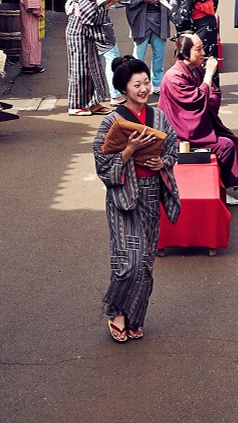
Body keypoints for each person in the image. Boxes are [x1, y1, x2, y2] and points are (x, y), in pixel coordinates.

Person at [93, 57, 180, 343]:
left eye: (146, 82)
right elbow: (102, 163)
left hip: (151, 191)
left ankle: (135, 317)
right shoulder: (111, 121)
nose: (144, 89)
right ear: (124, 88)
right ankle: (116, 310)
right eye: (137, 84)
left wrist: (162, 163)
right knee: (127, 260)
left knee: (144, 262)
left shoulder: (158, 117)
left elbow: (173, 147)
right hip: (123, 196)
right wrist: (128, 150)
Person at [160, 32, 238, 204]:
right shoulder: (174, 77)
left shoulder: (195, 70)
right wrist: (209, 76)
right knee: (226, 146)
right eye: (198, 49)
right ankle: (220, 189)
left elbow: (212, 93)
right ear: (185, 54)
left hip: (196, 123)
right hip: (181, 132)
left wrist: (208, 93)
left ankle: (227, 185)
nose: (203, 53)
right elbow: (195, 102)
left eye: (202, 48)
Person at [63, 0, 111, 116]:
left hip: (81, 30)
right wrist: (105, 6)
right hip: (80, 31)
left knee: (92, 67)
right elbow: (90, 16)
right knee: (80, 68)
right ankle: (76, 105)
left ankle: (93, 102)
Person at [94, 0, 137, 94]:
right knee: (112, 57)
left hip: (90, 21)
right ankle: (115, 93)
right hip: (102, 20)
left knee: (96, 58)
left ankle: (95, 93)